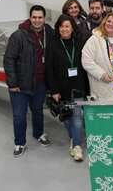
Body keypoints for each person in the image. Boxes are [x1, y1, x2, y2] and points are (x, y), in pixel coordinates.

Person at [3, 5, 53, 157]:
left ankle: (38, 134)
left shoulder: (49, 32)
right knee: (19, 115)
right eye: (34, 17)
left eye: (40, 17)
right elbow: (9, 60)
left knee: (37, 111)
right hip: (20, 85)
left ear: (44, 18)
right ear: (30, 18)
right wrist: (12, 83)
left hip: (40, 83)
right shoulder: (18, 36)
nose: (37, 20)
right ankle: (19, 142)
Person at [82, 13, 113, 146]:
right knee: (104, 109)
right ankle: (105, 136)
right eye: (108, 21)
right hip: (103, 82)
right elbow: (86, 60)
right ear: (104, 23)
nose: (110, 24)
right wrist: (102, 74)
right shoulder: (95, 39)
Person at [46, 15, 87, 161]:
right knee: (65, 116)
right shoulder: (52, 44)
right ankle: (73, 137)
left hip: (79, 86)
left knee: (77, 116)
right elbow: (49, 69)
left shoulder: (80, 42)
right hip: (61, 87)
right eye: (62, 26)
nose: (65, 29)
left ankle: (76, 146)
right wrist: (54, 90)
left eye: (67, 26)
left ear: (72, 28)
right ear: (58, 28)